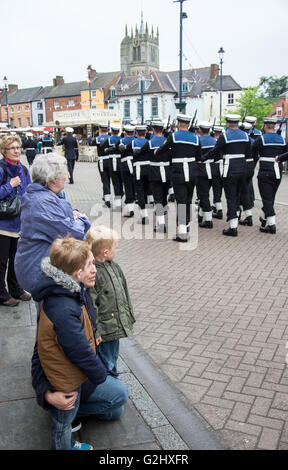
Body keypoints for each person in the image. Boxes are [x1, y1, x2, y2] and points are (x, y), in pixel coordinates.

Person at [31, 236, 129, 450]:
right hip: (67, 381)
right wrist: (47, 394)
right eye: (90, 264)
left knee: (115, 408)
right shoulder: (63, 309)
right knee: (62, 427)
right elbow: (75, 351)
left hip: (75, 374)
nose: (95, 269)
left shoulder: (72, 290)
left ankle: (69, 409)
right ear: (77, 272)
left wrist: (93, 334)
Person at [14, 153, 91, 294]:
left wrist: (71, 216)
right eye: (63, 173)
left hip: (44, 266)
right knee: (57, 310)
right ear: (52, 179)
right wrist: (81, 219)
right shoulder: (42, 202)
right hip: (39, 271)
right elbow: (72, 233)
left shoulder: (44, 197)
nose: (66, 176)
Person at [86, 225, 135, 373]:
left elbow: (124, 293)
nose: (116, 250)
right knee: (106, 360)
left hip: (115, 325)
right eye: (115, 247)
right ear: (105, 252)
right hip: (104, 329)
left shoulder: (114, 267)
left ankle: (112, 378)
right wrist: (96, 331)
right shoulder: (94, 273)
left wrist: (128, 316)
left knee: (112, 357)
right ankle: (108, 384)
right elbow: (92, 305)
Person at [155, 113, 201, 242]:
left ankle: (182, 232)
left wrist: (158, 152)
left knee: (181, 201)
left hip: (178, 172)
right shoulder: (196, 138)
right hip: (192, 172)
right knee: (188, 200)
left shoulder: (173, 136)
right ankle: (186, 227)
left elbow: (162, 149)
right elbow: (199, 156)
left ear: (179, 124)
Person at [206, 114, 252, 237]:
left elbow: (215, 151)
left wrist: (203, 158)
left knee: (231, 197)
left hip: (230, 170)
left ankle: (233, 227)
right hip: (242, 169)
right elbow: (248, 154)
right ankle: (236, 217)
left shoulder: (225, 136)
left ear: (227, 124)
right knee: (237, 196)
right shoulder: (246, 136)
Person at [0, 135, 32, 306]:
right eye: (12, 148)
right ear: (4, 151)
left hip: (18, 224)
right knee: (1, 262)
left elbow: (29, 193)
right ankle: (1, 293)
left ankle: (15, 288)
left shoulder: (24, 169)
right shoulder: (1, 169)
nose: (16, 151)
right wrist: (9, 186)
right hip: (2, 224)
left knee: (16, 260)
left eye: (18, 147)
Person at [252, 117, 287, 233]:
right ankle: (264, 216)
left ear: (265, 126)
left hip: (266, 171)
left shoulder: (262, 138)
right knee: (270, 197)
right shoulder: (282, 139)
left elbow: (251, 150)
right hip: (278, 171)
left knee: (266, 198)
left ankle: (271, 224)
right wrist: (280, 158)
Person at [135, 121, 171, 232]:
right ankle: (163, 212)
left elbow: (139, 153)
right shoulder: (168, 141)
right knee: (164, 197)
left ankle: (161, 224)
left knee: (158, 199)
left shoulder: (150, 143)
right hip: (167, 172)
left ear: (154, 130)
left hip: (155, 172)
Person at [197, 121, 216, 229]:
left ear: (200, 130)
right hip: (213, 169)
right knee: (204, 194)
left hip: (201, 170)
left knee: (203, 195)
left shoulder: (198, 140)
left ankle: (208, 220)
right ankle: (200, 215)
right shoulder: (215, 141)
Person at [119, 125, 136, 217]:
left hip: (125, 165)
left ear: (125, 132)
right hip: (135, 164)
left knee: (128, 187)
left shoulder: (122, 141)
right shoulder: (136, 140)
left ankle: (130, 209)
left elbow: (117, 149)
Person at [93, 124, 111, 207]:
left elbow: (91, 142)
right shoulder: (111, 138)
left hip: (101, 161)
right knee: (113, 180)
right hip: (110, 161)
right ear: (107, 129)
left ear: (100, 129)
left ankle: (107, 198)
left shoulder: (97, 139)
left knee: (105, 180)